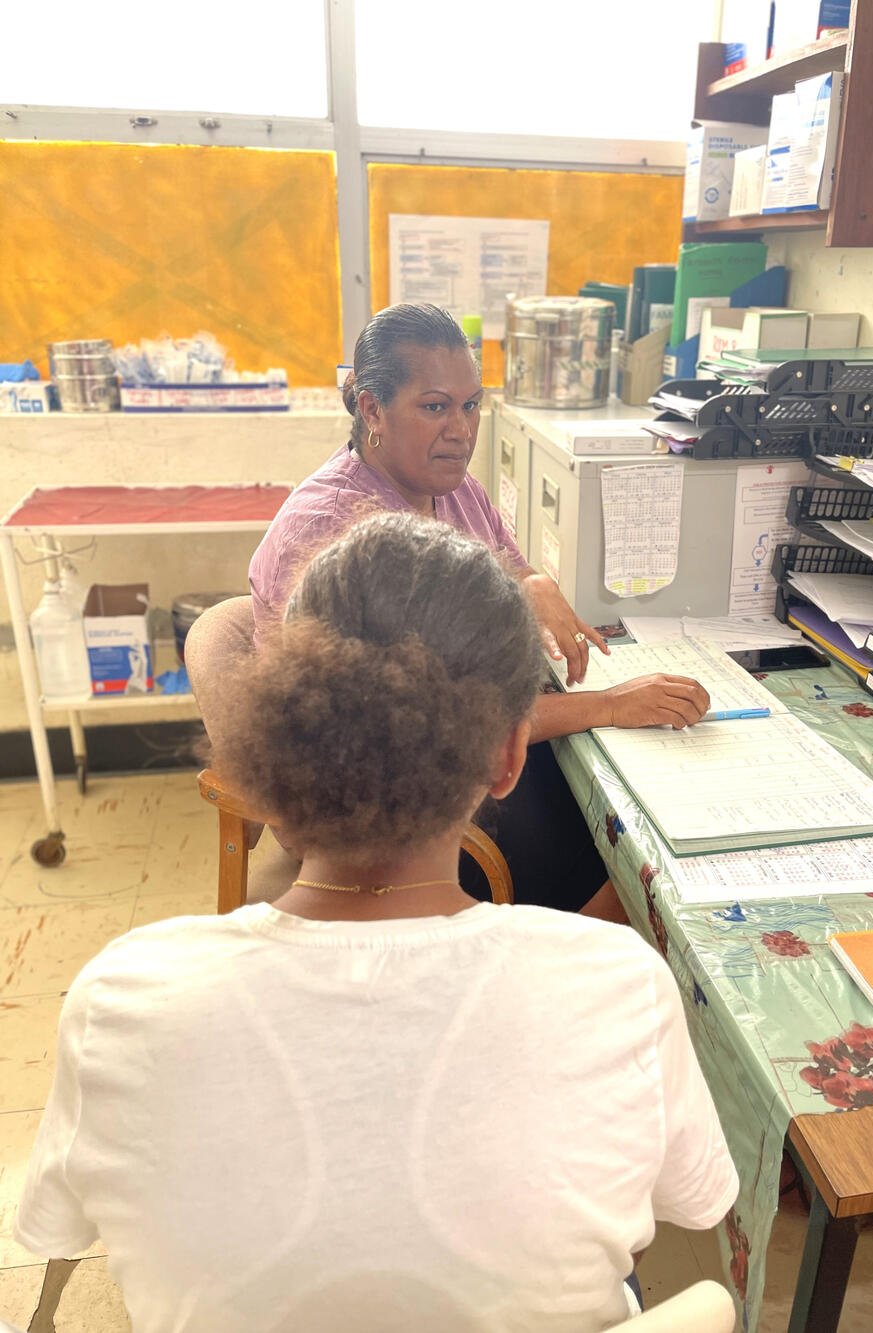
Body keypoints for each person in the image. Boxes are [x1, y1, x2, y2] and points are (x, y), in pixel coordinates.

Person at [16, 513, 738, 1333]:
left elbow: (63, 1227)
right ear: (509, 757)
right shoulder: (622, 985)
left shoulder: (122, 997)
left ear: (282, 727)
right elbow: (690, 1201)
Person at [249, 303, 709, 918]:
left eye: (472, 405)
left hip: (449, 752)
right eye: (435, 407)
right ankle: (547, 979)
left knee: (639, 800)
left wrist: (531, 581)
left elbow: (505, 580)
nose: (462, 429)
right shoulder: (336, 528)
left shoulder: (454, 488)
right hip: (370, 803)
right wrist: (609, 705)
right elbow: (415, 731)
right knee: (634, 854)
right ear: (371, 409)